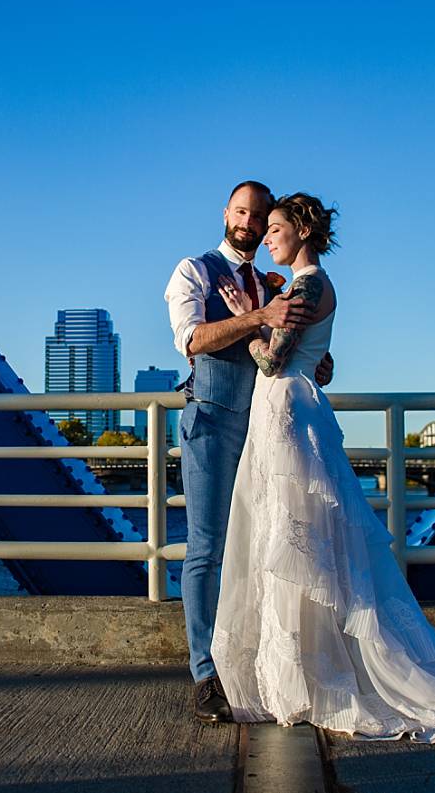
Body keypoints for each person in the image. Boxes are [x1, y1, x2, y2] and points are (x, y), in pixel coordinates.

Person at [209, 193, 435, 749]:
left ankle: (311, 680)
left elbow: (272, 360)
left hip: (284, 410)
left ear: (302, 230)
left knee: (293, 538)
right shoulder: (309, 284)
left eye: (276, 227)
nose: (268, 236)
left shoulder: (305, 284)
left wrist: (242, 319)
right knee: (300, 542)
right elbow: (311, 358)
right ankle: (305, 676)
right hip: (290, 410)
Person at [164, 181, 335, 723]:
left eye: (259, 215)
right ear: (226, 213)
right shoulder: (192, 270)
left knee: (265, 547)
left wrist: (315, 358)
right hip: (213, 422)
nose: (249, 222)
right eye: (241, 211)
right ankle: (204, 673)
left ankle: (256, 664)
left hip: (269, 431)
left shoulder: (274, 281)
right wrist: (258, 318)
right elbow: (191, 339)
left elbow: (299, 355)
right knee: (207, 548)